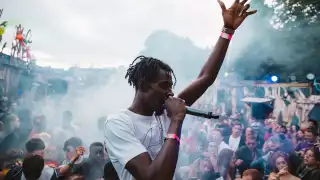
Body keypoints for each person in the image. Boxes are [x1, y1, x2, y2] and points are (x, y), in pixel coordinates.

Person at [104, 0, 257, 180]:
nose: (170, 93)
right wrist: (176, 120)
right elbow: (153, 177)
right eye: (164, 86)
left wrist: (227, 31)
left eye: (171, 86)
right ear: (144, 85)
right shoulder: (118, 123)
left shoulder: (163, 112)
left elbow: (205, 78)